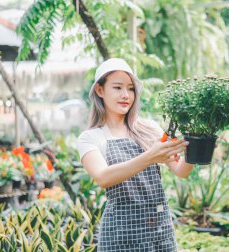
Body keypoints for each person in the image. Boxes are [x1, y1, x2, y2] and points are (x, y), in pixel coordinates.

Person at [77, 58, 194, 251]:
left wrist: (197, 143)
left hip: (160, 230)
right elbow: (103, 177)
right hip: (120, 235)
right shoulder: (91, 138)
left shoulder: (149, 129)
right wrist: (151, 157)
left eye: (131, 89)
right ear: (100, 90)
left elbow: (182, 171)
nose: (126, 95)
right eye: (117, 87)